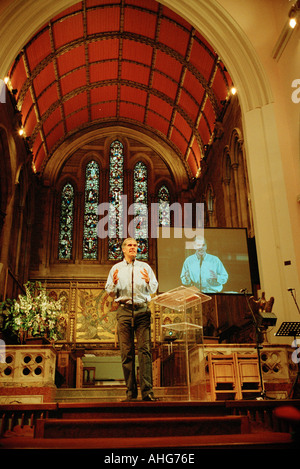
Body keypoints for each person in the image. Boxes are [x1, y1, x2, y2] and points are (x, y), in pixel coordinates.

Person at [105, 237, 159, 401]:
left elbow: (154, 288)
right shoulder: (116, 268)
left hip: (142, 311)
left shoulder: (145, 267)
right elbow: (110, 291)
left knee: (145, 352)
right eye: (130, 245)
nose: (133, 248)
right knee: (126, 353)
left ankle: (147, 392)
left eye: (135, 245)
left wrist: (149, 282)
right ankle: (130, 393)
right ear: (123, 249)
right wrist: (114, 284)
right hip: (124, 311)